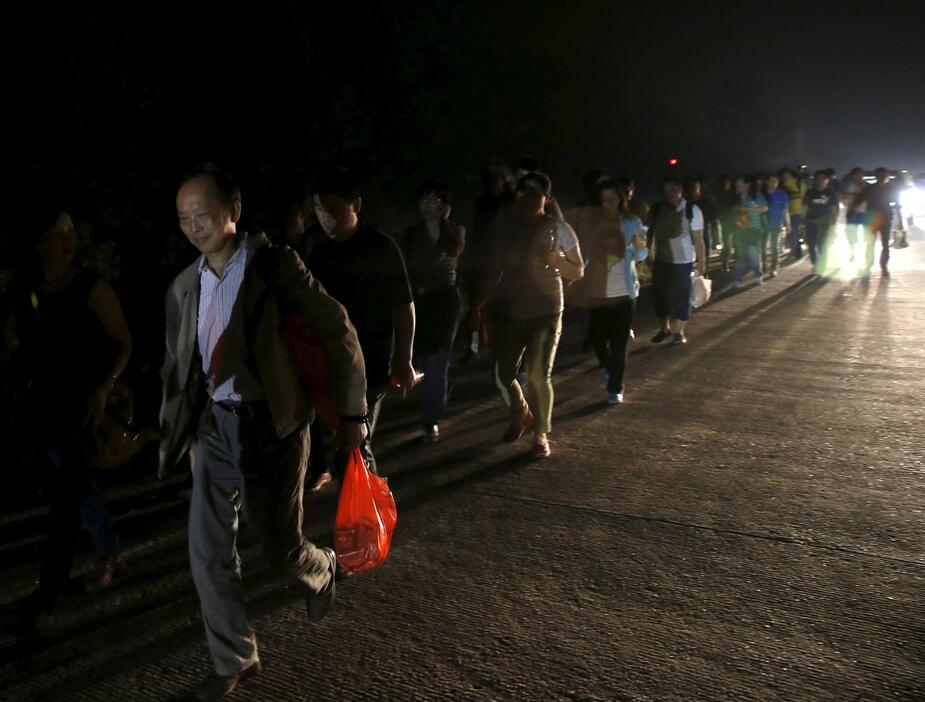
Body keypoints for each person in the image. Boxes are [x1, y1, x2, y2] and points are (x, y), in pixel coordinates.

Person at [160, 165, 368, 700]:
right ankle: (234, 658)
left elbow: (338, 331)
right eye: (183, 217)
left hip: (271, 427)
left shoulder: (274, 266)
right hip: (214, 427)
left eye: (202, 213)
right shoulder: (186, 285)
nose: (193, 225)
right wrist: (185, 432)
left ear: (233, 210)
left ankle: (321, 571)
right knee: (206, 551)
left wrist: (352, 414)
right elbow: (179, 366)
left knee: (278, 545)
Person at [4, 208, 132, 637]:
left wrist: (102, 385)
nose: (67, 239)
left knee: (64, 505)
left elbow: (123, 342)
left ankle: (47, 599)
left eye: (71, 231)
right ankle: (109, 551)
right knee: (70, 492)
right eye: (57, 232)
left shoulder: (92, 288)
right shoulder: (26, 292)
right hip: (43, 410)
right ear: (37, 243)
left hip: (83, 411)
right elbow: (14, 347)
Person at [307, 165, 416, 480]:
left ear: (355, 205)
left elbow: (404, 305)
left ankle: (366, 519)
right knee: (344, 443)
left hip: (372, 365)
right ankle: (360, 516)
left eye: (331, 209)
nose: (324, 216)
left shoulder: (381, 248)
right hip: (332, 363)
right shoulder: (319, 252)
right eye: (318, 209)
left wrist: (403, 359)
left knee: (354, 444)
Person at [474, 172, 584, 458]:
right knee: (503, 373)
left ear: (547, 199)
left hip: (547, 310)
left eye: (535, 194)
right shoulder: (506, 228)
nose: (528, 199)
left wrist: (558, 260)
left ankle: (541, 434)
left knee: (539, 375)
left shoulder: (558, 228)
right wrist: (479, 300)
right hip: (511, 310)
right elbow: (494, 267)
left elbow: (578, 270)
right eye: (522, 193)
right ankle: (521, 411)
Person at [402, 181, 465, 442]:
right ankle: (438, 391)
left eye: (434, 201)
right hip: (418, 299)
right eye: (424, 200)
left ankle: (431, 419)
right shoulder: (412, 232)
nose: (428, 206)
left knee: (437, 359)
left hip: (444, 299)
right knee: (420, 359)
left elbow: (454, 249)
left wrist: (442, 223)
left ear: (444, 206)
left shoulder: (455, 230)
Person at [584, 179, 648, 404]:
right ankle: (609, 366)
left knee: (620, 343)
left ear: (622, 199)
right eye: (603, 201)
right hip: (597, 291)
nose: (608, 204)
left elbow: (642, 254)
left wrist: (631, 246)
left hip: (624, 291)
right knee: (596, 337)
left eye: (612, 199)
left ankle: (615, 387)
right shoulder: (591, 223)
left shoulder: (633, 222)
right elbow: (584, 255)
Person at [647, 176, 706, 345]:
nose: (669, 193)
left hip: (684, 261)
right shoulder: (657, 209)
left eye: (673, 189)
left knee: (682, 296)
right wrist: (645, 256)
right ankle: (664, 328)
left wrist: (702, 262)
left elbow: (698, 238)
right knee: (659, 295)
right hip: (661, 259)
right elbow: (650, 233)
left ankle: (679, 331)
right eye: (665, 190)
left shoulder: (692, 210)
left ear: (681, 189)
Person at [849, 167, 899, 278]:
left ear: (886, 176)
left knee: (884, 244)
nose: (882, 177)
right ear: (877, 177)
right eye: (880, 175)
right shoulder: (871, 189)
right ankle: (870, 265)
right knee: (871, 243)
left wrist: (851, 210)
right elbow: (859, 200)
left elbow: (897, 204)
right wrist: (851, 210)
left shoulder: (889, 188)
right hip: (873, 218)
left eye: (884, 175)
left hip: (884, 218)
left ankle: (883, 266)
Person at [732, 175, 768, 287]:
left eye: (741, 185)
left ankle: (758, 275)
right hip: (740, 230)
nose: (738, 188)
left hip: (754, 229)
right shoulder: (736, 198)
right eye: (737, 186)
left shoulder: (756, 195)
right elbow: (730, 212)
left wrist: (749, 209)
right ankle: (738, 279)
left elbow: (765, 208)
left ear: (747, 185)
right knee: (741, 255)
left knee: (754, 254)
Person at [802, 170, 839, 274]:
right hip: (811, 220)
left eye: (824, 178)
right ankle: (816, 263)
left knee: (822, 244)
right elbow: (805, 206)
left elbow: (833, 209)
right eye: (819, 178)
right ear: (816, 180)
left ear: (828, 180)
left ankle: (821, 266)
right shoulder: (810, 192)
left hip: (825, 221)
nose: (821, 180)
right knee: (811, 243)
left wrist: (834, 222)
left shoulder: (831, 192)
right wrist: (802, 220)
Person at [764, 173, 790, 277]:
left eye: (775, 181)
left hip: (777, 224)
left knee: (775, 247)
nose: (773, 183)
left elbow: (785, 210)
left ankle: (774, 268)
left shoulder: (781, 194)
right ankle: (764, 265)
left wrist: (788, 224)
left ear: (778, 183)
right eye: (771, 181)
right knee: (763, 247)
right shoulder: (762, 194)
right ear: (767, 182)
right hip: (764, 225)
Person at [840, 167, 866, 264]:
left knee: (866, 234)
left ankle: (864, 252)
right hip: (851, 211)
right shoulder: (848, 185)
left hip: (864, 212)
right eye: (857, 174)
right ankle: (852, 252)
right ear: (853, 175)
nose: (859, 176)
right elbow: (843, 196)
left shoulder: (865, 185)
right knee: (851, 233)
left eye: (861, 174)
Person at [780, 168, 807, 259]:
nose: (784, 177)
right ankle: (794, 250)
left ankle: (793, 252)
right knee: (789, 233)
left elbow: (805, 199)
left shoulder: (799, 184)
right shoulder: (782, 186)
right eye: (783, 175)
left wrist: (804, 212)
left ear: (791, 175)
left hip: (797, 212)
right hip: (787, 213)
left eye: (786, 175)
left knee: (793, 232)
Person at [715, 175, 737, 270]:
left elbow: (737, 207)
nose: (724, 185)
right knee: (726, 244)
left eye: (726, 183)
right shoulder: (717, 194)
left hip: (733, 222)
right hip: (722, 222)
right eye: (722, 183)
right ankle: (726, 263)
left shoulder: (733, 194)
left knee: (733, 243)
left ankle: (731, 263)